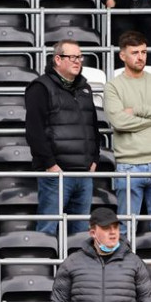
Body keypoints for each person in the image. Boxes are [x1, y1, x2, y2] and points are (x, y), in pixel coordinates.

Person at [103, 30, 151, 235]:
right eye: (135, 52)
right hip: (129, 165)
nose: (141, 57)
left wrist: (138, 111)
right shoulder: (113, 86)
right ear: (122, 55)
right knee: (125, 230)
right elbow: (118, 121)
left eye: (143, 52)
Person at [24, 41, 101, 236]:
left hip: (84, 173)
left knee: (82, 235)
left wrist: (94, 159)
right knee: (48, 230)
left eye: (80, 57)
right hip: (57, 173)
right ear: (58, 59)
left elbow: (93, 125)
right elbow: (34, 130)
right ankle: (45, 267)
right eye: (73, 57)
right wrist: (50, 164)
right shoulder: (40, 87)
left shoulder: (85, 88)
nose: (78, 61)